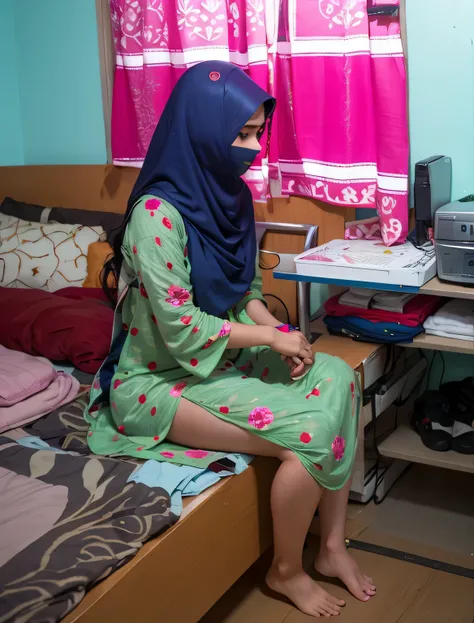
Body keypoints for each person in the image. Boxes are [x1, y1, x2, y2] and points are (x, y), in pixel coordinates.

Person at [86, 60, 376, 617]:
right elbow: (182, 329)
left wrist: (285, 334)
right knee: (311, 430)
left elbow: (243, 294)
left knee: (338, 373)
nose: (253, 147)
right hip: (156, 382)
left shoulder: (232, 200)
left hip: (220, 361)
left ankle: (331, 547)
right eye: (241, 134)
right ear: (202, 129)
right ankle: (285, 570)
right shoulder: (156, 217)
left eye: (256, 133)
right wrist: (269, 344)